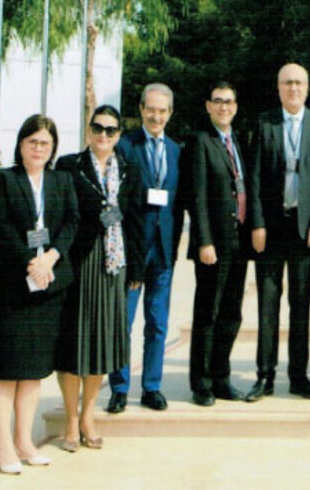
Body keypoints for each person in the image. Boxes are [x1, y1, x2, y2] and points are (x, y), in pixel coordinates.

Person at [0, 114, 78, 473]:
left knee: (34, 369)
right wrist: (30, 263)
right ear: (21, 144)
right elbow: (2, 227)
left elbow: (71, 222)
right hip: (12, 286)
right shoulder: (4, 180)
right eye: (32, 141)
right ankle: (3, 444)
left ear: (53, 148)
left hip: (49, 285)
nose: (39, 148)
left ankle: (24, 440)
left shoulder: (62, 180)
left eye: (45, 143)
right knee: (6, 367)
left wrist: (51, 256)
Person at [54, 105, 144, 452]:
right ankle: (70, 419)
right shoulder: (69, 166)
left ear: (119, 134)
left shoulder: (129, 171)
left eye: (110, 130)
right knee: (74, 343)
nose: (103, 135)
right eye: (98, 128)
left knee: (101, 343)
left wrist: (135, 266)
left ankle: (88, 414)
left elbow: (135, 220)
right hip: (79, 263)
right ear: (88, 130)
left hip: (113, 264)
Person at [248, 63, 310, 401]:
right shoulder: (265, 122)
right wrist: (257, 222)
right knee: (268, 305)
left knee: (301, 306)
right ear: (279, 87)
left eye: (299, 82)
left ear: (307, 87)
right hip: (271, 228)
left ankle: (298, 376)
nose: (293, 88)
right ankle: (264, 377)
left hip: (304, 229)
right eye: (287, 83)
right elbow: (253, 178)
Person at [108, 83, 183, 413]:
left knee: (157, 323)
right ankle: (120, 387)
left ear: (169, 113)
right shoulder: (124, 147)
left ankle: (152, 386)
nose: (156, 115)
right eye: (150, 109)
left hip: (164, 251)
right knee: (122, 322)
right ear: (140, 110)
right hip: (132, 251)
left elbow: (179, 203)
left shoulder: (177, 151)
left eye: (162, 110)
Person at [187, 81, 250, 407]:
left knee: (231, 313)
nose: (224, 107)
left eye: (229, 101)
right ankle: (202, 382)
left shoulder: (235, 140)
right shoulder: (201, 141)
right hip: (214, 245)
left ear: (235, 107)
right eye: (218, 101)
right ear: (208, 106)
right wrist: (204, 241)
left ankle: (222, 377)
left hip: (238, 242)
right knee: (208, 314)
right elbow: (196, 197)